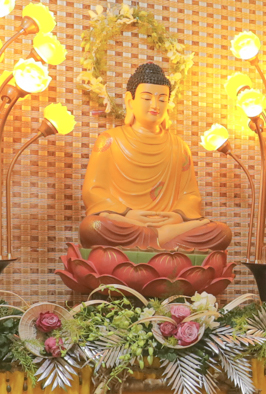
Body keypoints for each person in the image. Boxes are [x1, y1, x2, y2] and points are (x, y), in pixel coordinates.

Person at [80, 62, 233, 252]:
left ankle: (154, 239)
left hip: (169, 224)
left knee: (221, 232)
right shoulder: (110, 140)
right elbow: (93, 190)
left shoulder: (179, 147)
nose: (155, 105)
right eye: (147, 98)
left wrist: (177, 216)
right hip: (128, 222)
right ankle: (162, 239)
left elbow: (190, 195)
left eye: (162, 100)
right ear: (130, 101)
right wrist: (128, 214)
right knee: (93, 227)